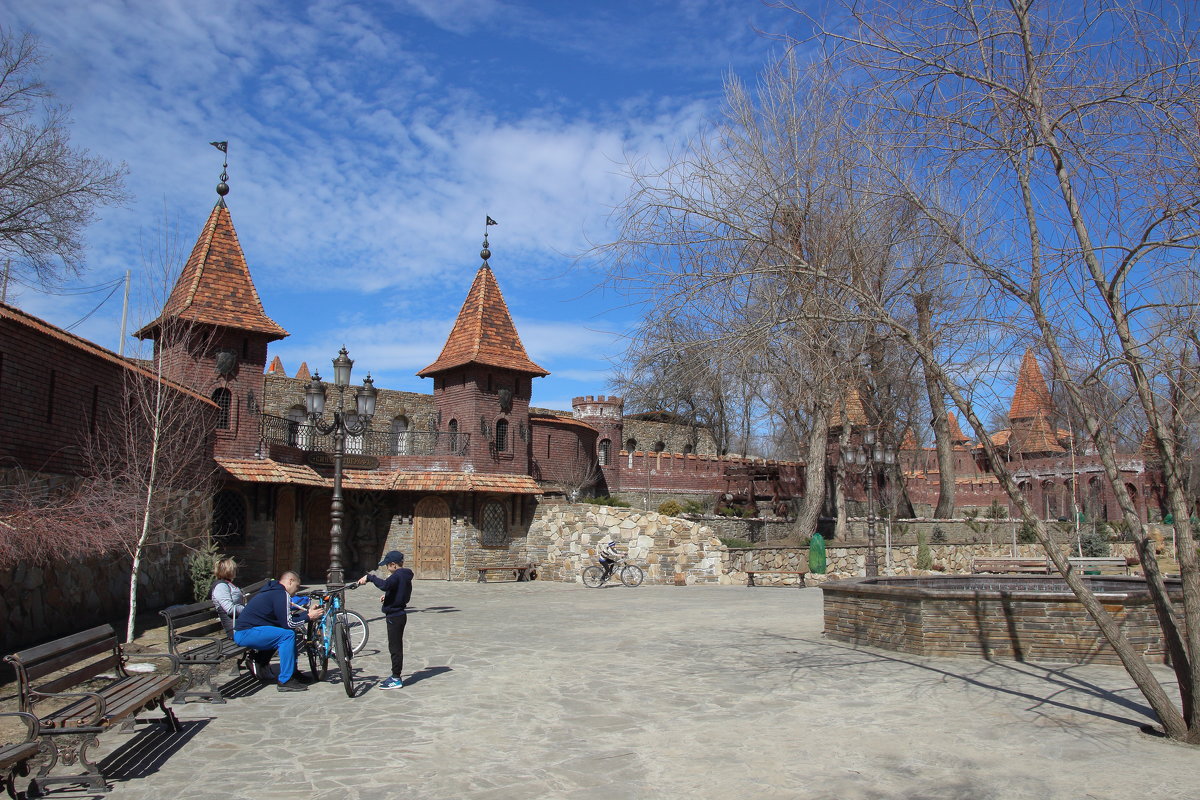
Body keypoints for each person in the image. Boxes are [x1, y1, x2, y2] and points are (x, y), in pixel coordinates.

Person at [234, 571, 321, 692]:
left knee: (290, 632)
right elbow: (288, 623)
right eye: (297, 587)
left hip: (251, 631)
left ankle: (292, 672)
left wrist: (307, 613)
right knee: (287, 635)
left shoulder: (275, 592)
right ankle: (285, 680)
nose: (296, 591)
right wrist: (308, 617)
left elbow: (285, 620)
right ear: (290, 581)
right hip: (245, 633)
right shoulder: (281, 594)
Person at [358, 550, 413, 690]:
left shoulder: (396, 576)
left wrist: (370, 577)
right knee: (395, 646)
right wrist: (388, 597)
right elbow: (401, 593)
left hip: (394, 616)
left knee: (395, 648)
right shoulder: (405, 575)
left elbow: (385, 585)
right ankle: (395, 675)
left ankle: (396, 677)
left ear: (393, 565)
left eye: (387, 565)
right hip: (399, 613)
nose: (387, 568)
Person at [210, 557, 245, 637]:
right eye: (233, 568)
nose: (235, 570)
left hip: (242, 625)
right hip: (236, 630)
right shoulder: (221, 586)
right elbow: (230, 609)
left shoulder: (228, 584)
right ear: (227, 570)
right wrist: (248, 609)